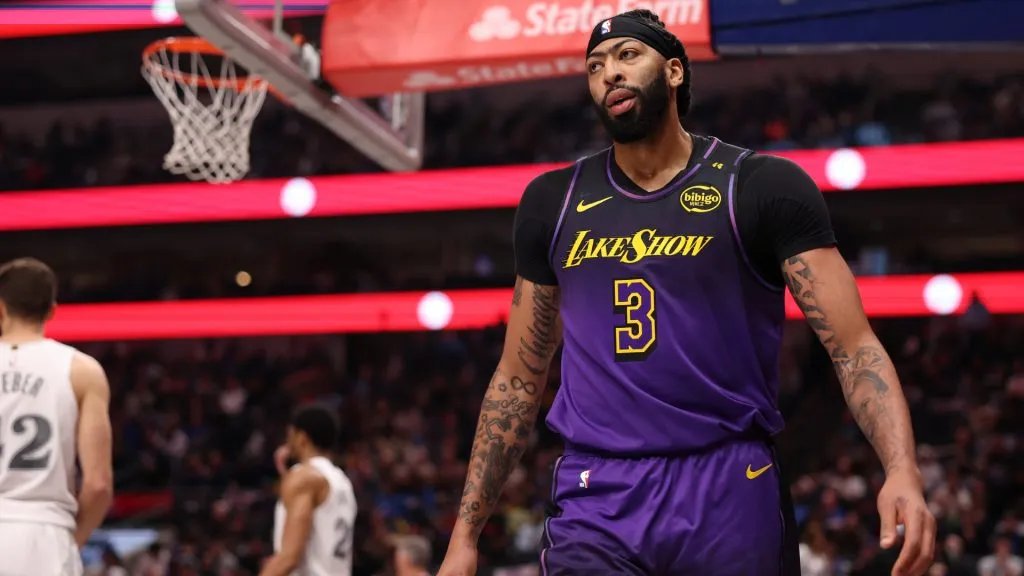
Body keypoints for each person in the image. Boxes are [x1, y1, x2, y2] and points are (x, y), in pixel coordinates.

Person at [438, 9, 936, 576]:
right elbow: (518, 379)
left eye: (628, 56)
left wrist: (902, 469)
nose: (610, 74)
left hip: (727, 482)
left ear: (674, 71)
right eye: (595, 65)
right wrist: (465, 535)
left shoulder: (759, 186)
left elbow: (853, 347)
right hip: (597, 491)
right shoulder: (553, 202)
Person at [0, 257, 114, 576]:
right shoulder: (82, 371)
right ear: (52, 311)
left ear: (1, 308)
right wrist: (71, 540)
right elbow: (99, 484)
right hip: (44, 534)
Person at [260, 403, 357, 576]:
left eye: (290, 435)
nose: (287, 442)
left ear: (302, 437)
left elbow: (289, 558)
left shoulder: (303, 478)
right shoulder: (342, 483)